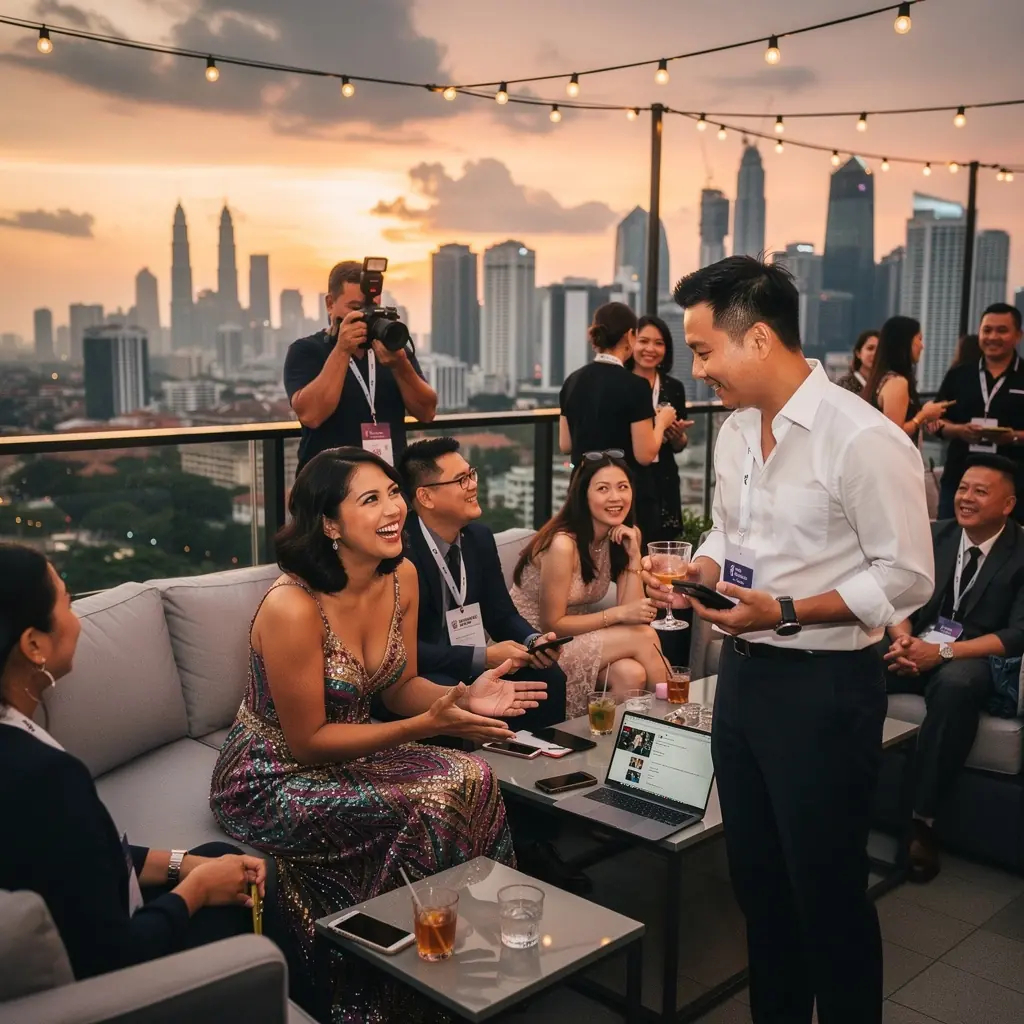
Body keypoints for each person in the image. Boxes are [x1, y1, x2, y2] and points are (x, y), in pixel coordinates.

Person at [643, 257, 934, 1024]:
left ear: (760, 338)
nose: (695, 369)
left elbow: (906, 577)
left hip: (824, 692)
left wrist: (788, 612)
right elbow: (737, 542)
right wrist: (696, 574)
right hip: (741, 684)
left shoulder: (863, 439)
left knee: (827, 894)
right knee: (758, 888)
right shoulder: (737, 432)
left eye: (703, 350)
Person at [210, 447, 544, 1016]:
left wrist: (458, 700)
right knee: (432, 799)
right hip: (274, 773)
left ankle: (466, 954)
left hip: (354, 747)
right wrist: (427, 724)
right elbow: (308, 742)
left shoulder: (403, 578)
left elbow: (398, 687)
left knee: (475, 775)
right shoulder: (292, 607)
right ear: (330, 524)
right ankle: (392, 989)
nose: (393, 508)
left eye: (393, 492)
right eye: (371, 499)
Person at [0, 543, 266, 982]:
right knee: (242, 894)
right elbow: (115, 956)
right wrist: (196, 890)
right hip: (116, 987)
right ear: (33, 644)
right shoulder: (46, 778)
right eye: (67, 602)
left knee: (218, 856)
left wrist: (185, 865)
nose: (76, 619)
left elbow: (79, 861)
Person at [884, 455, 1024, 882]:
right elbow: (895, 596)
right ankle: (831, 779)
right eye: (962, 488)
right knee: (854, 660)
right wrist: (903, 640)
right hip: (918, 642)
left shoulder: (1021, 552)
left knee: (957, 686)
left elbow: (1018, 633)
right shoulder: (936, 535)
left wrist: (941, 654)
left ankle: (921, 823)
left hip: (974, 659)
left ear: (1008, 504)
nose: (965, 498)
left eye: (980, 491)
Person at [397, 437, 567, 731]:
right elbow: (402, 649)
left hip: (472, 664)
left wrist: (533, 642)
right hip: (420, 674)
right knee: (449, 689)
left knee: (548, 677)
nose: (473, 485)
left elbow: (501, 614)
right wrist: (484, 657)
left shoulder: (479, 538)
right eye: (461, 480)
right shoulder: (400, 551)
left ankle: (538, 767)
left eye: (471, 474)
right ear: (426, 497)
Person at [510, 451, 667, 717]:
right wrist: (618, 614)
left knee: (632, 674)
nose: (616, 498)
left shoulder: (624, 535)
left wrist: (633, 556)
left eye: (622, 487)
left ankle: (601, 750)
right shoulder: (563, 544)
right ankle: (672, 718)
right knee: (647, 637)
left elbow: (633, 616)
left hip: (576, 637)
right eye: (603, 489)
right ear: (583, 495)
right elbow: (552, 624)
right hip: (537, 645)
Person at [284, 261, 437, 472]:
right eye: (355, 308)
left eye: (373, 307)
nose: (366, 315)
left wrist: (400, 365)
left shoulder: (392, 350)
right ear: (330, 304)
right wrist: (342, 350)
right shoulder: (306, 350)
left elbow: (427, 411)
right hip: (329, 485)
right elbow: (311, 415)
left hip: (386, 483)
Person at [559, 301, 676, 552]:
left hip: (585, 490)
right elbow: (645, 455)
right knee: (629, 570)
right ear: (630, 336)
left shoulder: (572, 381)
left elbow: (565, 444)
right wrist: (663, 421)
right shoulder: (635, 386)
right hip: (624, 496)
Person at [934, 303, 1024, 521]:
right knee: (949, 541)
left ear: (1018, 335)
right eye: (987, 330)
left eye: (1002, 330)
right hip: (960, 480)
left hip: (1016, 482)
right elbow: (934, 422)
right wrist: (958, 431)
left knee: (1015, 549)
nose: (993, 336)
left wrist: (1013, 437)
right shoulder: (959, 375)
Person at [626, 314, 695, 543]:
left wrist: (677, 436)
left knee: (664, 545)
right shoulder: (621, 383)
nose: (650, 349)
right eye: (643, 341)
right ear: (631, 341)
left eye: (659, 343)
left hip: (663, 478)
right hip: (629, 475)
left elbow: (679, 445)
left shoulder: (674, 388)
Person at [863, 315, 950, 442]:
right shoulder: (896, 382)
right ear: (905, 341)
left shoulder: (880, 377)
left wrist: (924, 419)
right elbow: (895, 434)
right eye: (919, 339)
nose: (922, 346)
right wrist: (923, 415)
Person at [836, 329, 879, 394]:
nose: (875, 353)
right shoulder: (844, 385)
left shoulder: (889, 383)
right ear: (858, 353)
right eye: (870, 348)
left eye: (879, 350)